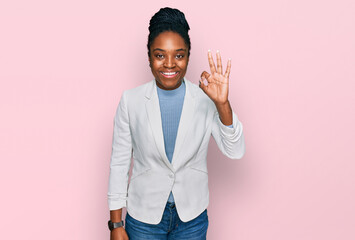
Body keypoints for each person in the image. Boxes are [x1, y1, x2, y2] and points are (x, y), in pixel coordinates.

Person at [107, 7, 245, 240]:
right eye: (160, 55)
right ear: (149, 56)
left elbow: (235, 151)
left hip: (191, 219)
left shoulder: (205, 99)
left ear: (188, 56)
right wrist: (116, 223)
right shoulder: (130, 101)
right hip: (143, 220)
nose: (169, 64)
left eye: (179, 55)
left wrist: (222, 104)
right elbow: (119, 164)